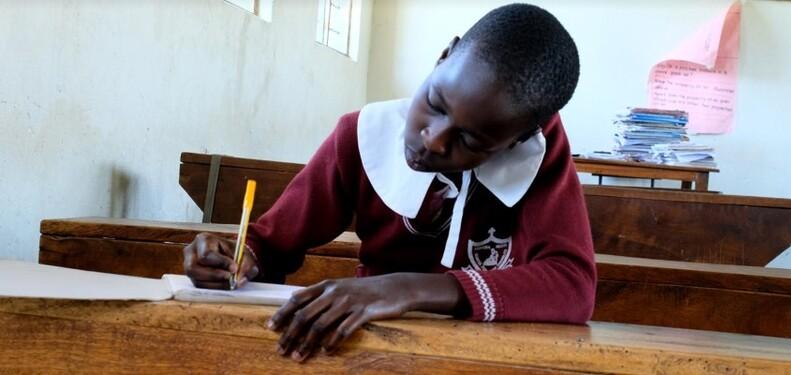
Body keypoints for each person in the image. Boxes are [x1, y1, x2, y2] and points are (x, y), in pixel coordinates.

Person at [183, 3, 596, 362]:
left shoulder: (538, 155)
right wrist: (232, 259)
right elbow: (270, 243)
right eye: (434, 104)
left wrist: (404, 290)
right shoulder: (362, 135)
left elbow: (573, 286)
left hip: (486, 357)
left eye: (469, 140)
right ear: (443, 57)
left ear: (518, 139)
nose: (431, 138)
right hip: (363, 350)